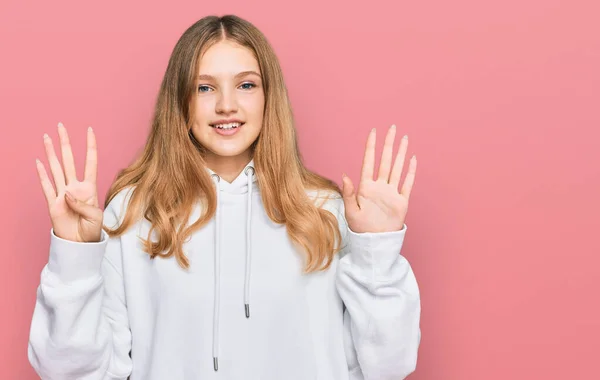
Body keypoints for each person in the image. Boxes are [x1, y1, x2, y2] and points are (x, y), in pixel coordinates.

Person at [28, 14, 421, 380]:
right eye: (204, 87)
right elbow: (71, 372)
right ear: (180, 101)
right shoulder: (134, 213)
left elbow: (388, 365)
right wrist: (74, 257)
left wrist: (377, 251)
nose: (226, 105)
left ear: (270, 97)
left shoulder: (325, 211)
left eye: (246, 84)